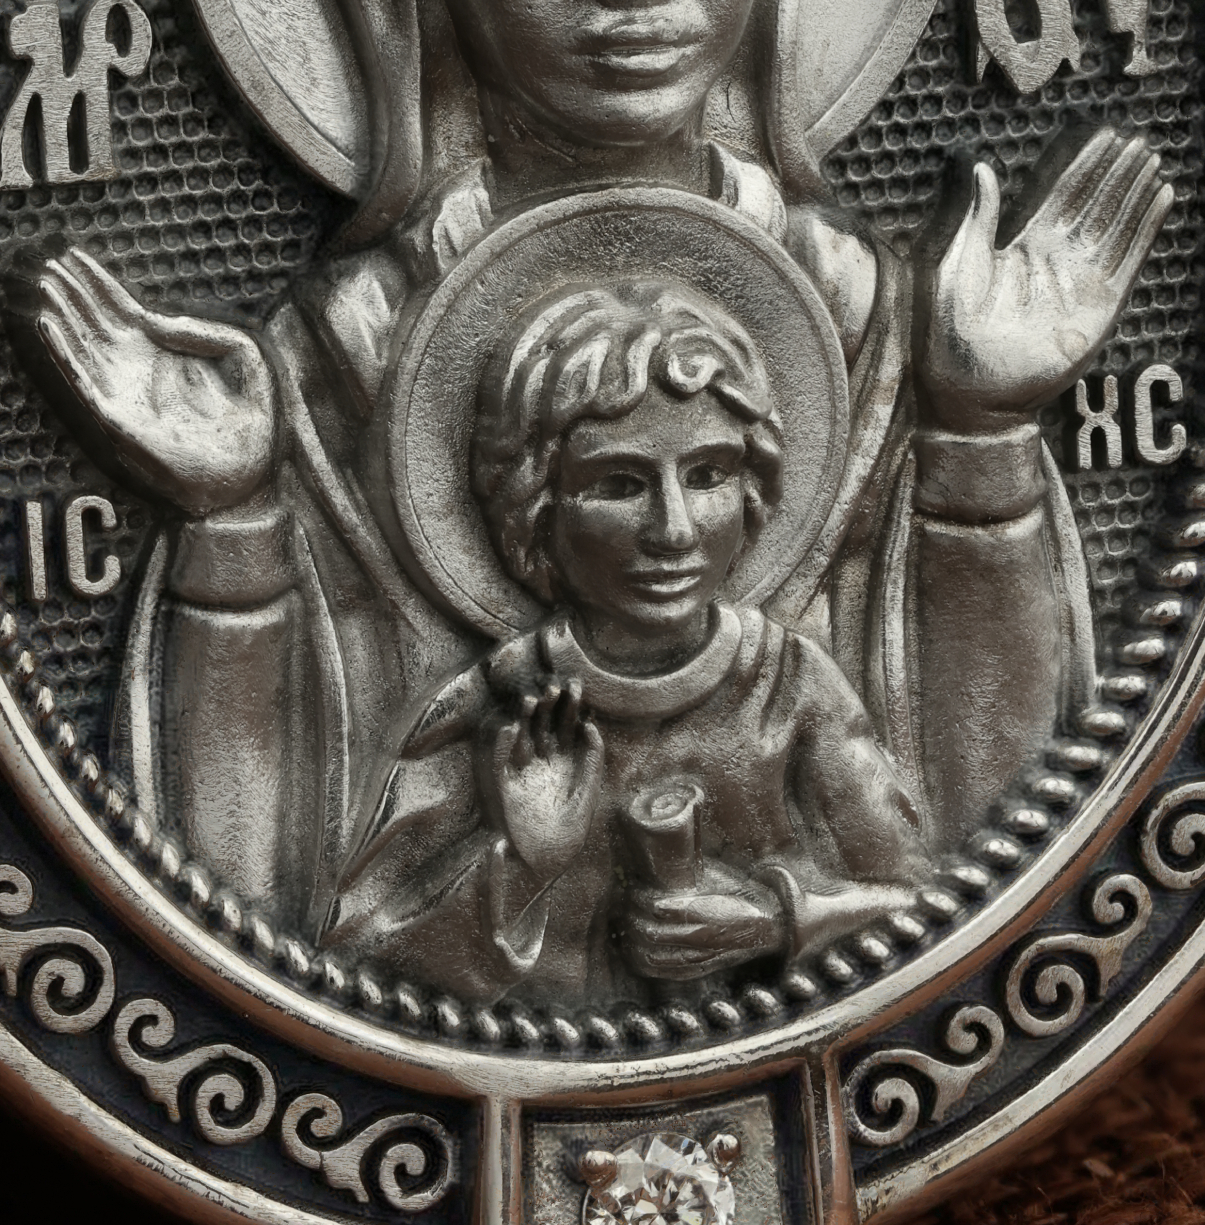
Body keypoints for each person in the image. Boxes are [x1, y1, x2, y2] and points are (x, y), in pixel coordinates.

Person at [20, 0, 1171, 941]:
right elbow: (248, 917)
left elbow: (999, 863)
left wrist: (986, 432)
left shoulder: (871, 314)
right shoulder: (332, 361)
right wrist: (232, 523)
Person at [323, 280, 929, 1003]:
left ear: (752, 488)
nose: (674, 530)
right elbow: (354, 972)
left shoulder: (791, 687)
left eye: (707, 475)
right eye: (618, 483)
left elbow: (926, 908)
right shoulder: (496, 706)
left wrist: (778, 922)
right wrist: (522, 864)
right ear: (535, 506)